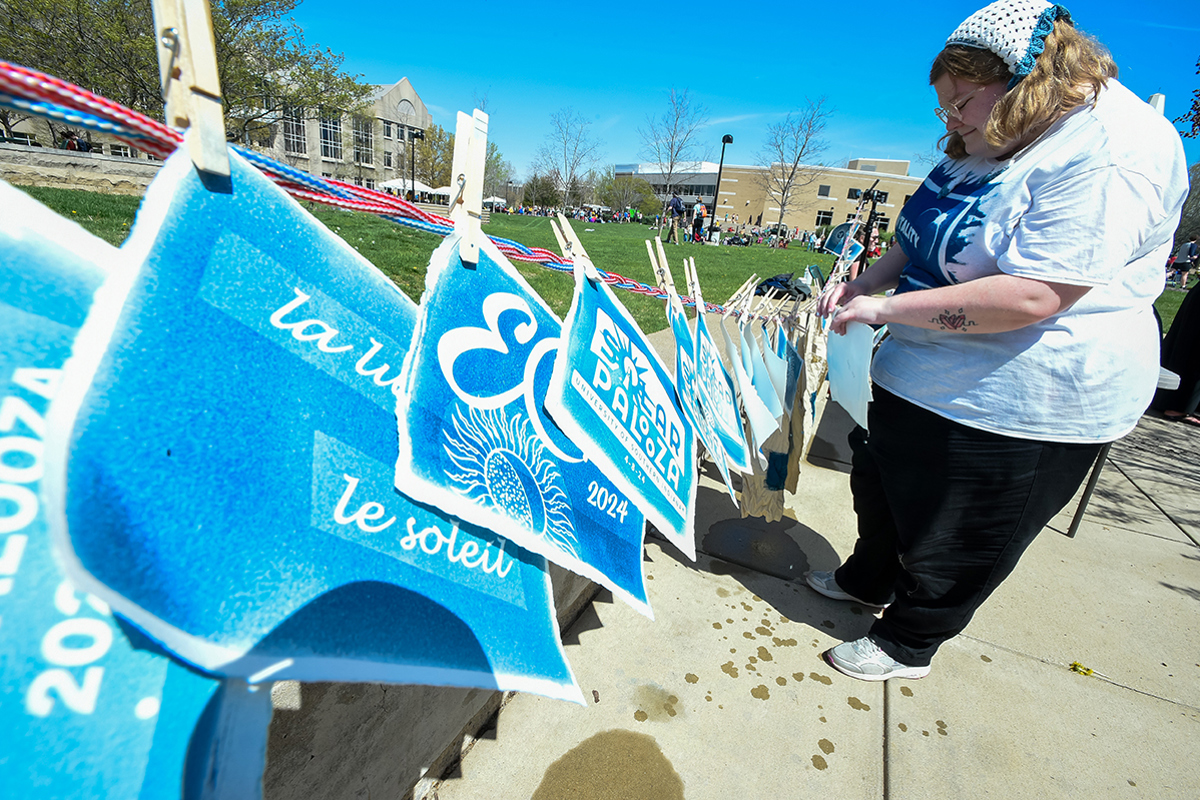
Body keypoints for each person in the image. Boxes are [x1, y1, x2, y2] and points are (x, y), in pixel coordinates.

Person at [811, 0, 1187, 681]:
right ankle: (869, 578)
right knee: (885, 492)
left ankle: (909, 643)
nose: (950, 120)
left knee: (960, 535)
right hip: (915, 371)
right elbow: (918, 230)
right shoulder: (988, 129)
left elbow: (1035, 295)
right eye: (943, 106)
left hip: (1023, 400)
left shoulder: (1114, 149)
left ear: (1026, 81)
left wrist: (885, 307)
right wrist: (863, 285)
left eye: (961, 101)